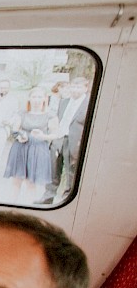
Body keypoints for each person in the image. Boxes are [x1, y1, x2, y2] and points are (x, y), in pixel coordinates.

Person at [38, 76, 91, 204]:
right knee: (54, 169)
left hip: (74, 141)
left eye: (79, 87)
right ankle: (48, 196)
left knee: (71, 171)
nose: (75, 89)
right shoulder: (64, 101)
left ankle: (66, 198)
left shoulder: (89, 103)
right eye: (73, 86)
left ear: (85, 88)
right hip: (59, 139)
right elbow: (59, 121)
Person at [3, 87, 59, 201]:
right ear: (29, 98)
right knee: (16, 181)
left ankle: (27, 208)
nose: (37, 100)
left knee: (31, 183)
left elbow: (55, 134)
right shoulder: (22, 113)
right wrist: (19, 136)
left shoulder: (50, 116)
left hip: (38, 149)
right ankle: (10, 206)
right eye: (34, 97)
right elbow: (15, 130)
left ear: (44, 99)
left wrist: (43, 136)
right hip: (21, 148)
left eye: (39, 97)